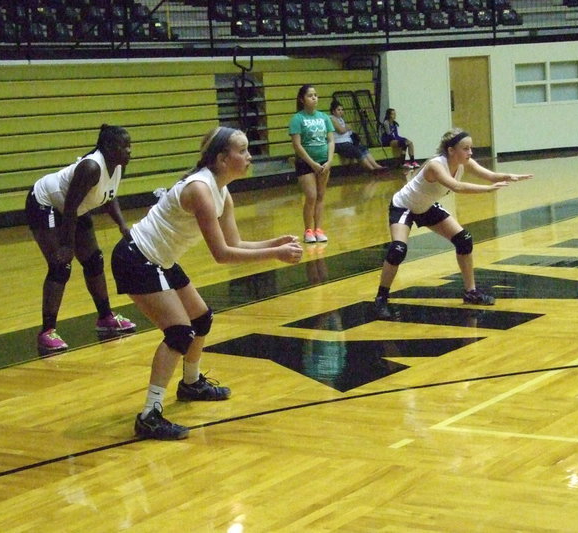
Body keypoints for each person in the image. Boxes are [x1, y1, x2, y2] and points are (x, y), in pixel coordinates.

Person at [111, 126, 303, 440]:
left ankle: (191, 383)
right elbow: (222, 255)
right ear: (222, 158)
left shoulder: (222, 191)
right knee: (179, 333)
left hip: (160, 259)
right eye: (242, 151)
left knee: (201, 319)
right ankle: (149, 414)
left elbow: (235, 241)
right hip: (137, 258)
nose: (249, 156)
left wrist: (274, 242)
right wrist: (275, 254)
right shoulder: (200, 189)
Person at [373, 128, 533, 318]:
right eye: (465, 149)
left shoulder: (464, 162)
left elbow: (489, 175)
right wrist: (488, 190)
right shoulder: (435, 165)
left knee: (464, 239)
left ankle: (470, 292)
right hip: (404, 207)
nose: (470, 152)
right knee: (398, 249)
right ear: (451, 150)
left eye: (471, 148)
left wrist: (509, 176)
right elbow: (456, 186)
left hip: (426, 207)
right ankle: (381, 298)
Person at [26, 124, 136, 354]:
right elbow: (70, 208)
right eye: (123, 146)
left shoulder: (117, 166)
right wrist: (66, 245)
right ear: (107, 146)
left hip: (70, 209)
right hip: (45, 204)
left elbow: (110, 196)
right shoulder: (90, 168)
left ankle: (105, 318)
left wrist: (122, 226)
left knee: (94, 260)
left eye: (130, 146)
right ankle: (47, 332)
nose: (129, 151)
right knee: (60, 266)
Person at [289, 84, 335, 244]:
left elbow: (330, 140)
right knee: (311, 196)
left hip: (324, 162)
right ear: (302, 99)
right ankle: (308, 230)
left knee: (321, 196)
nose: (314, 98)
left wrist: (329, 160)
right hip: (306, 163)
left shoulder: (324, 117)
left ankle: (319, 229)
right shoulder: (297, 119)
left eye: (316, 95)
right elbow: (297, 145)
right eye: (310, 95)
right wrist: (312, 163)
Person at [329, 100, 386, 172]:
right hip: (339, 144)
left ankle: (376, 166)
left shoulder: (340, 119)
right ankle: (371, 169)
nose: (341, 111)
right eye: (338, 110)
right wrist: (347, 127)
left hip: (347, 142)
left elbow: (347, 129)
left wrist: (347, 128)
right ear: (333, 111)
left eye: (342, 110)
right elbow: (341, 130)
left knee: (363, 148)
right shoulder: (331, 119)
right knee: (357, 151)